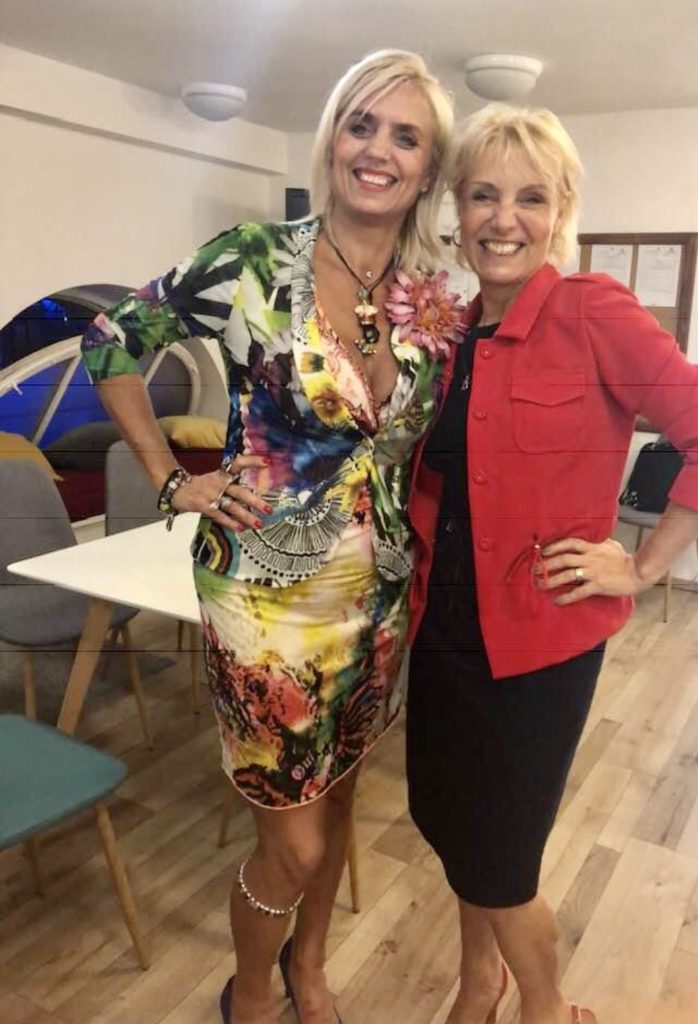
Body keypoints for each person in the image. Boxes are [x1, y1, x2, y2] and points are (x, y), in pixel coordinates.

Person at [81, 51, 462, 1024]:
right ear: (331, 136)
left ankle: (310, 966)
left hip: (376, 598)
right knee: (290, 842)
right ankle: (249, 989)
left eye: (405, 136)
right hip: (263, 599)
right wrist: (172, 477)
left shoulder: (430, 298)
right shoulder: (251, 259)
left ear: (427, 166)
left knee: (338, 800)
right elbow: (110, 341)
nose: (377, 150)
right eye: (361, 124)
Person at [405, 103, 698, 1024]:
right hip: (443, 627)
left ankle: (548, 1007)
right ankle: (477, 985)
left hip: (536, 642)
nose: (503, 219)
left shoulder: (592, 311)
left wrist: (640, 567)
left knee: (501, 860)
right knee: (451, 825)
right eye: (482, 195)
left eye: (529, 198)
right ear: (456, 208)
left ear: (559, 210)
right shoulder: (451, 336)